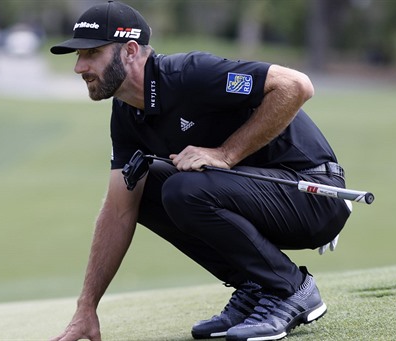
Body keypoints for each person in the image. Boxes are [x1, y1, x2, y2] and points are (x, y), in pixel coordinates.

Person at [49, 1, 351, 341]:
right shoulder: (126, 113)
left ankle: (290, 289)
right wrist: (87, 306)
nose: (79, 67)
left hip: (314, 194)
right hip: (263, 199)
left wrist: (226, 153)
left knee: (183, 191)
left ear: (130, 50)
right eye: (78, 56)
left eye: (92, 53)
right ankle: (256, 286)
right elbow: (119, 210)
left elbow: (296, 86)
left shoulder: (191, 74)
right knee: (141, 187)